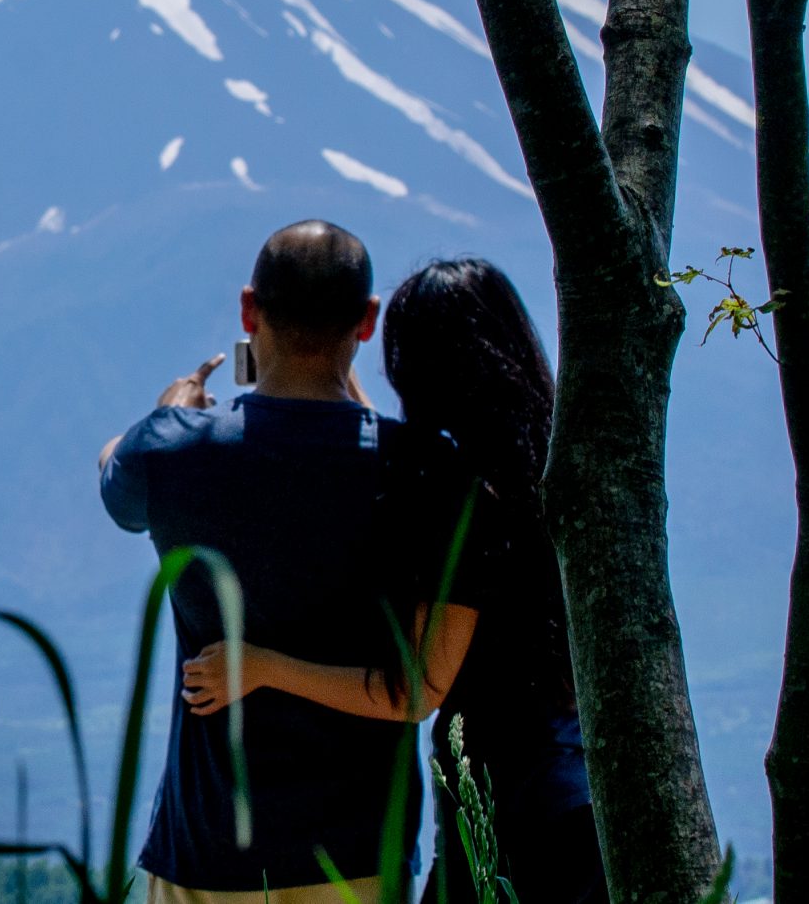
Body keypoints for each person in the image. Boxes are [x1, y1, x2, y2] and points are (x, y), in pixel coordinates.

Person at [178, 258, 605, 904]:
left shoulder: (465, 501)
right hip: (568, 795)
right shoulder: (544, 471)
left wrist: (261, 666)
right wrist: (322, 374)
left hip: (513, 816)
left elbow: (415, 688)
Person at [100, 221, 477, 904]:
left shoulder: (170, 452)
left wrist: (168, 415)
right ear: (367, 321)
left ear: (250, 312)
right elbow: (416, 686)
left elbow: (115, 472)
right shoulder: (424, 471)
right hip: (357, 852)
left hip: (207, 847)